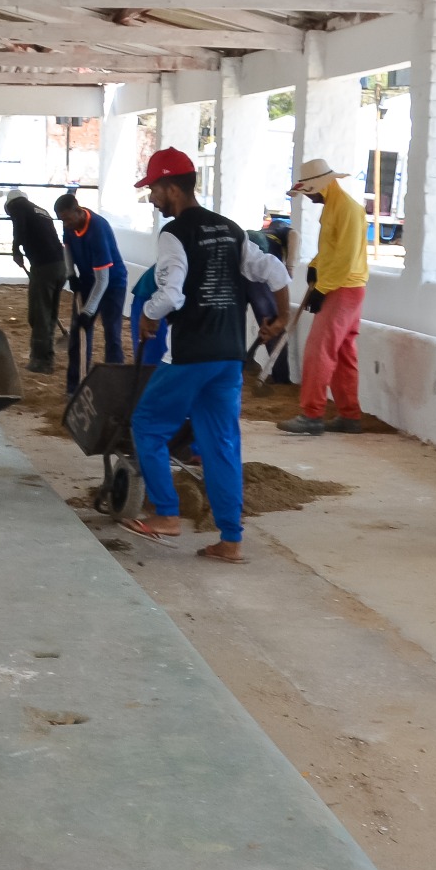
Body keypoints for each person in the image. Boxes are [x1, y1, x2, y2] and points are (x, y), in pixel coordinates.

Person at [119, 150, 289, 564]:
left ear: (172, 188)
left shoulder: (175, 233)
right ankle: (230, 539)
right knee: (223, 444)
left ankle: (166, 514)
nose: (152, 198)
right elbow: (275, 272)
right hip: (229, 355)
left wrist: (146, 315)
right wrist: (282, 316)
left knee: (146, 425)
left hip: (190, 353)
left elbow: (172, 293)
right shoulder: (231, 229)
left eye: (155, 190)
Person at [279, 157, 370, 435]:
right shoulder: (332, 208)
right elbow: (331, 250)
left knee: (319, 349)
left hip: (344, 287)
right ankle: (349, 415)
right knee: (342, 353)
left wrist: (322, 289)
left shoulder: (348, 210)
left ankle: (312, 414)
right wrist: (315, 267)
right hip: (339, 285)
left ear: (323, 186)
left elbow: (345, 258)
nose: (309, 199)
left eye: (309, 193)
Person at [54, 191, 125, 388]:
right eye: (62, 220)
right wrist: (71, 274)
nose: (65, 224)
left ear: (78, 211)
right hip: (86, 279)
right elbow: (66, 247)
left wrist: (88, 311)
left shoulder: (97, 229)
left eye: (67, 219)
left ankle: (114, 386)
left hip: (112, 284)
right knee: (78, 333)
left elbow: (103, 280)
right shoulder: (69, 223)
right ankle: (74, 386)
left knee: (112, 334)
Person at [4, 190, 67, 374]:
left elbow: (20, 228)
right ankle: (48, 355)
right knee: (50, 314)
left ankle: (41, 361)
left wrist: (16, 250)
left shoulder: (18, 207)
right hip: (60, 265)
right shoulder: (40, 210)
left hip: (44, 267)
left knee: (39, 315)